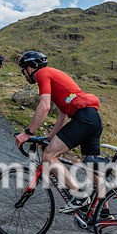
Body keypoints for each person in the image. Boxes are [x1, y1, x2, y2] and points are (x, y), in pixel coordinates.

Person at [13, 51, 105, 214]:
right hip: (93, 118)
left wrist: (27, 133)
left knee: (49, 156)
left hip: (83, 118)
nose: (24, 74)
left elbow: (44, 106)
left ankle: (79, 196)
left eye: (23, 70)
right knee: (90, 165)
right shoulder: (54, 76)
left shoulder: (42, 74)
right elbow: (62, 115)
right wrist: (50, 137)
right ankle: (103, 212)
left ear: (29, 68)